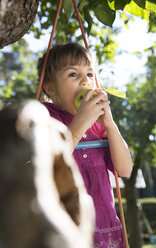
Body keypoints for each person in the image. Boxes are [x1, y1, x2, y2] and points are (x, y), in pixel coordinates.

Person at [37, 43, 132, 248]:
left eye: (90, 74)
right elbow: (47, 162)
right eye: (73, 74)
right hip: (67, 225)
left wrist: (110, 124)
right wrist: (80, 124)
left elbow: (124, 169)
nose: (85, 81)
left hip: (104, 224)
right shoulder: (46, 117)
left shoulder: (100, 126)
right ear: (50, 88)